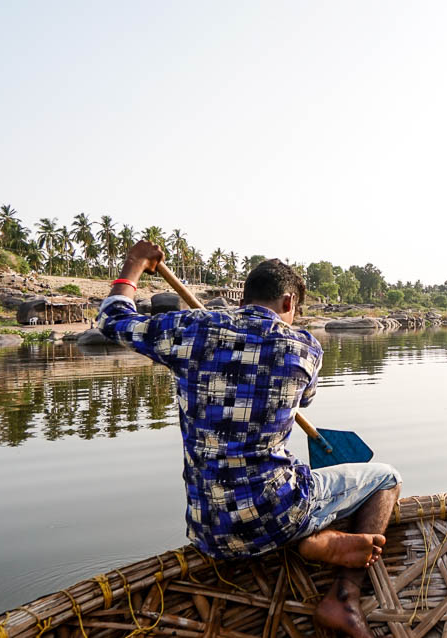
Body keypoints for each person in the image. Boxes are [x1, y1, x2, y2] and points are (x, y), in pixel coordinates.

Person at [96, 241, 400, 638]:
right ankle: (343, 595)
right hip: (277, 510)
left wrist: (133, 266)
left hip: (208, 528)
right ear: (289, 301)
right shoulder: (305, 347)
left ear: (244, 297)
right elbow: (303, 398)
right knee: (386, 478)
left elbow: (112, 319)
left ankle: (309, 539)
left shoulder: (190, 329)